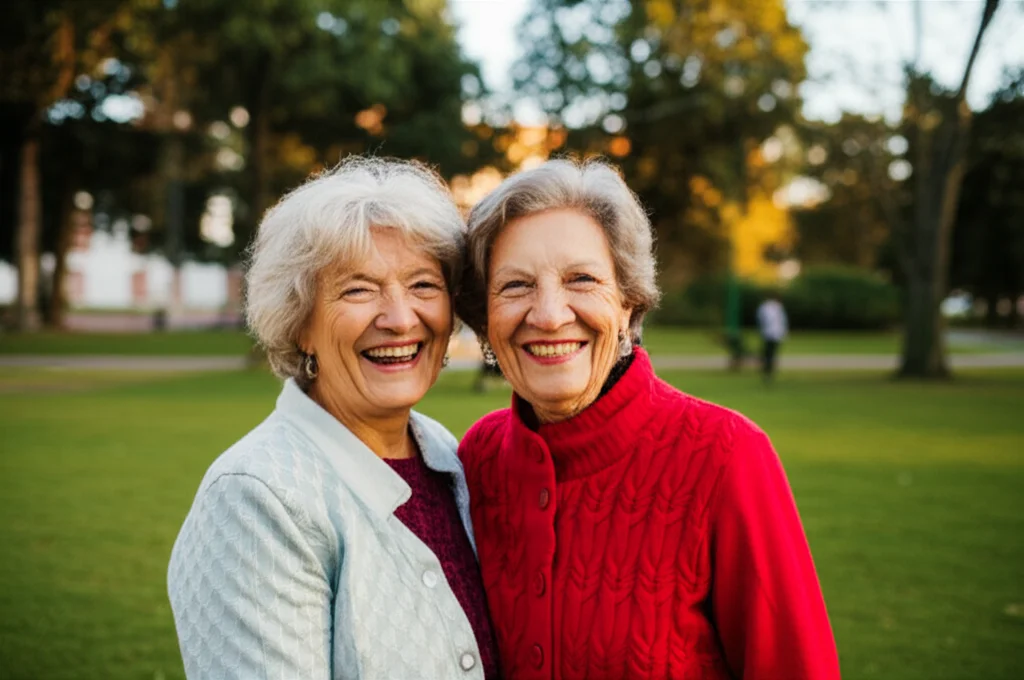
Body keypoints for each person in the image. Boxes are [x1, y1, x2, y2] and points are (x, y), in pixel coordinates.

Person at [456, 158, 839, 680]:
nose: (548, 315)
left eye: (582, 279)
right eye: (516, 286)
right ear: (485, 319)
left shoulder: (726, 456)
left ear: (629, 306)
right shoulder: (477, 458)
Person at [167, 157, 498, 679]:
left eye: (422, 286)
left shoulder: (449, 458)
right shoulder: (256, 497)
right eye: (358, 289)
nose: (398, 319)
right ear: (300, 324)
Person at [757, 292, 788, 383]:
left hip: (769, 333)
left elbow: (761, 320)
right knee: (771, 353)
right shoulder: (776, 307)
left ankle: (767, 369)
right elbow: (783, 321)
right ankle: (768, 369)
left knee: (768, 353)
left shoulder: (765, 307)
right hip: (774, 334)